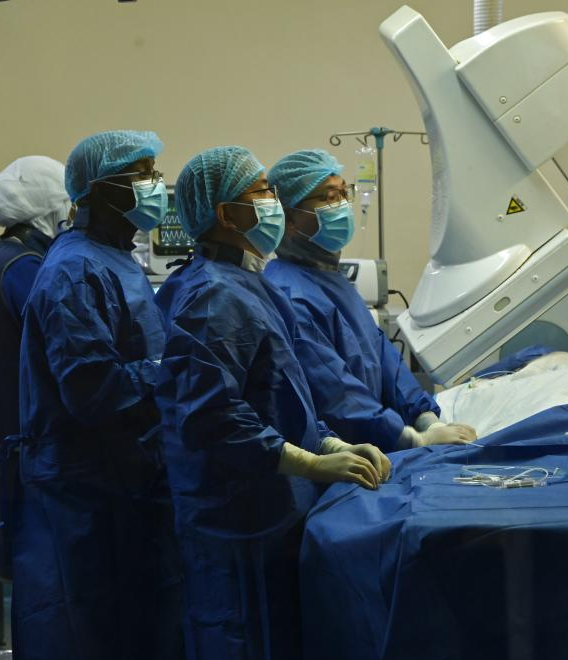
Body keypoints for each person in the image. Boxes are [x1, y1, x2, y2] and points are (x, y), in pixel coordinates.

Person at [155, 145, 390, 660]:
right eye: (262, 191)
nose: (274, 202)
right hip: (237, 519)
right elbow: (212, 416)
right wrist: (308, 462)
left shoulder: (249, 284)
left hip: (272, 510)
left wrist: (327, 442)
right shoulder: (212, 296)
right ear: (226, 214)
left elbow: (284, 390)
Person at [13, 130, 183, 659]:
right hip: (88, 489)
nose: (155, 186)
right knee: (93, 632)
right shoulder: (73, 271)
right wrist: (172, 370)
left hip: (126, 481)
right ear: (100, 189)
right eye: (142, 175)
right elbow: (93, 391)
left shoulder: (116, 258)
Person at [264, 149, 477, 451]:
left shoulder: (330, 277)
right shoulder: (289, 295)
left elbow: (380, 354)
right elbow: (335, 394)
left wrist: (425, 418)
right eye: (329, 197)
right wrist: (408, 438)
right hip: (347, 456)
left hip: (377, 440)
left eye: (344, 193)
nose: (341, 205)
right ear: (290, 219)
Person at [0, 157, 70, 646]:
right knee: (47, 597)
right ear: (47, 205)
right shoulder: (24, 268)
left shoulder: (0, 254)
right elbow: (65, 346)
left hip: (19, 449)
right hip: (33, 455)